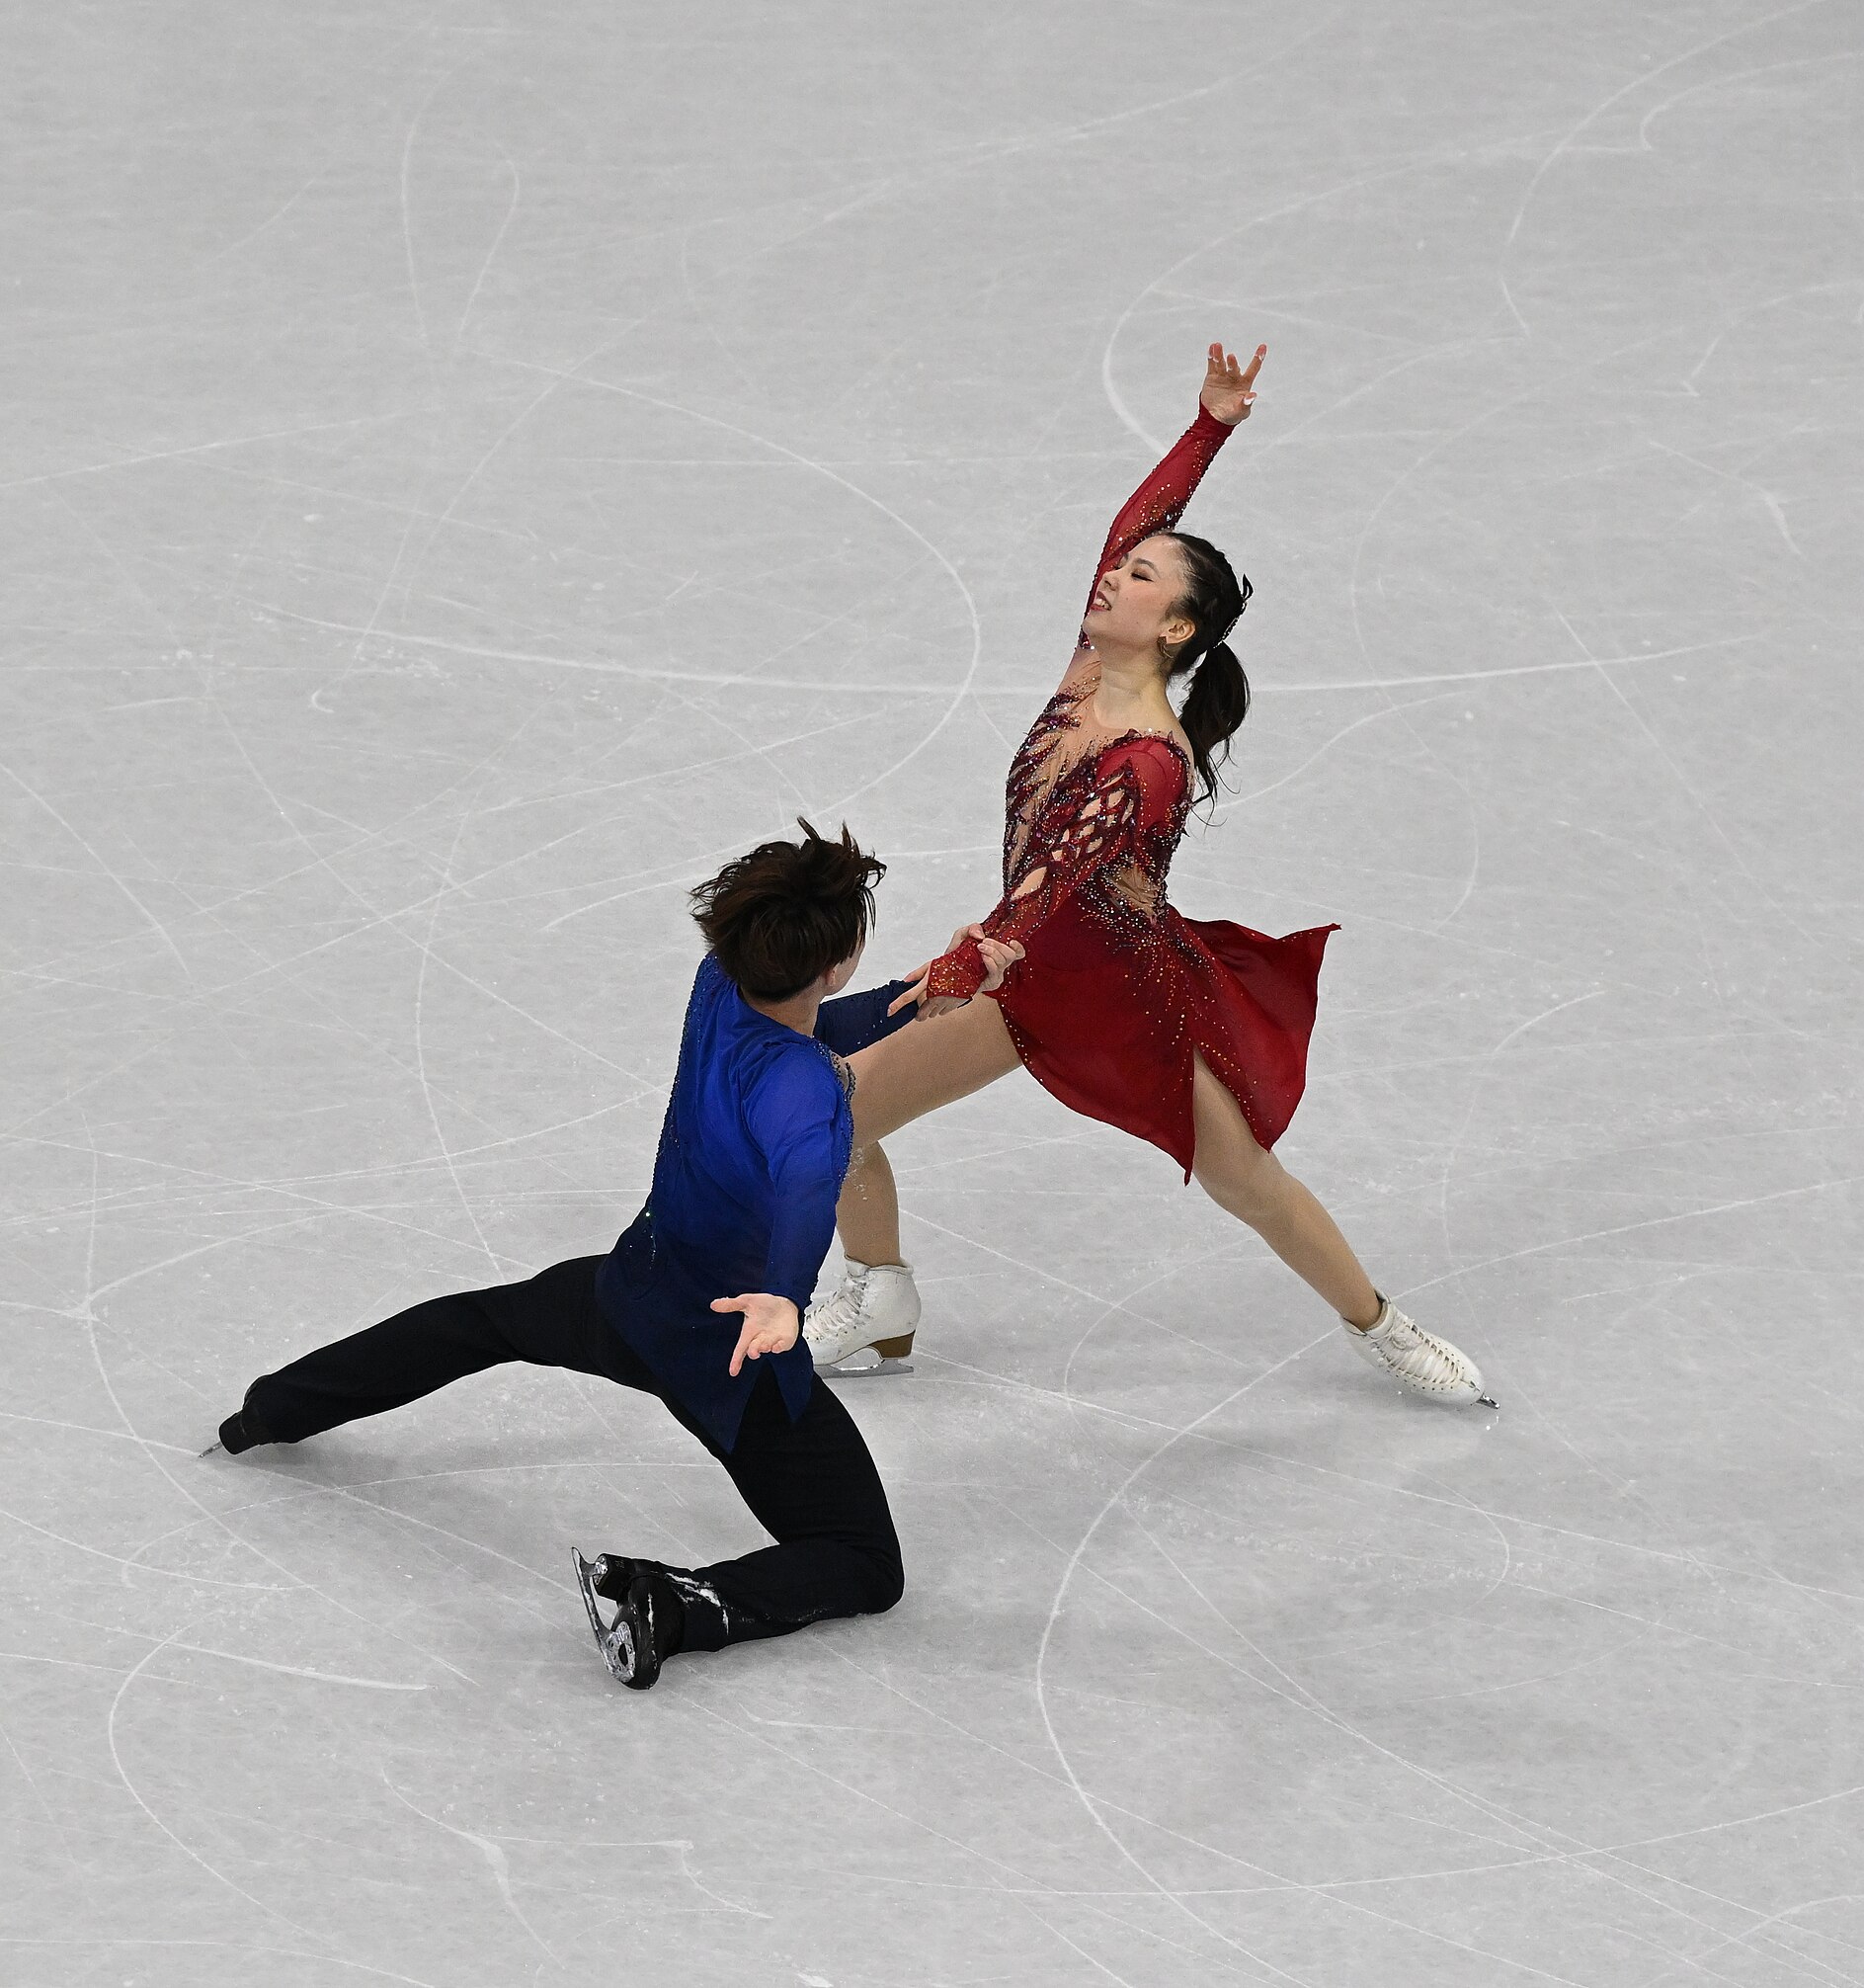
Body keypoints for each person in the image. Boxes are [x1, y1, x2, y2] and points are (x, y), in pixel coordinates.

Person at [805, 345, 1494, 1407]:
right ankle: (880, 1290)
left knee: (1245, 1183)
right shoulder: (1088, 672)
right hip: (1031, 984)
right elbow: (1137, 519)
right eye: (1121, 567)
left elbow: (1050, 885)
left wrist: (962, 963)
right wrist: (1211, 425)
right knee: (838, 1113)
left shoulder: (1150, 757)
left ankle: (1384, 1327)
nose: (1114, 573)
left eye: (1139, 578)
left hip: (1129, 1002)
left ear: (1175, 628)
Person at [208, 821, 1023, 1689]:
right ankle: (671, 1607)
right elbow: (801, 1193)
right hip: (729, 1356)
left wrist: (917, 996)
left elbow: (804, 1033)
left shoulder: (718, 985)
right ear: (837, 963)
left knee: (482, 1323)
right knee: (865, 1562)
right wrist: (785, 1299)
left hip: (628, 1295)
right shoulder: (810, 1098)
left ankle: (271, 1408)